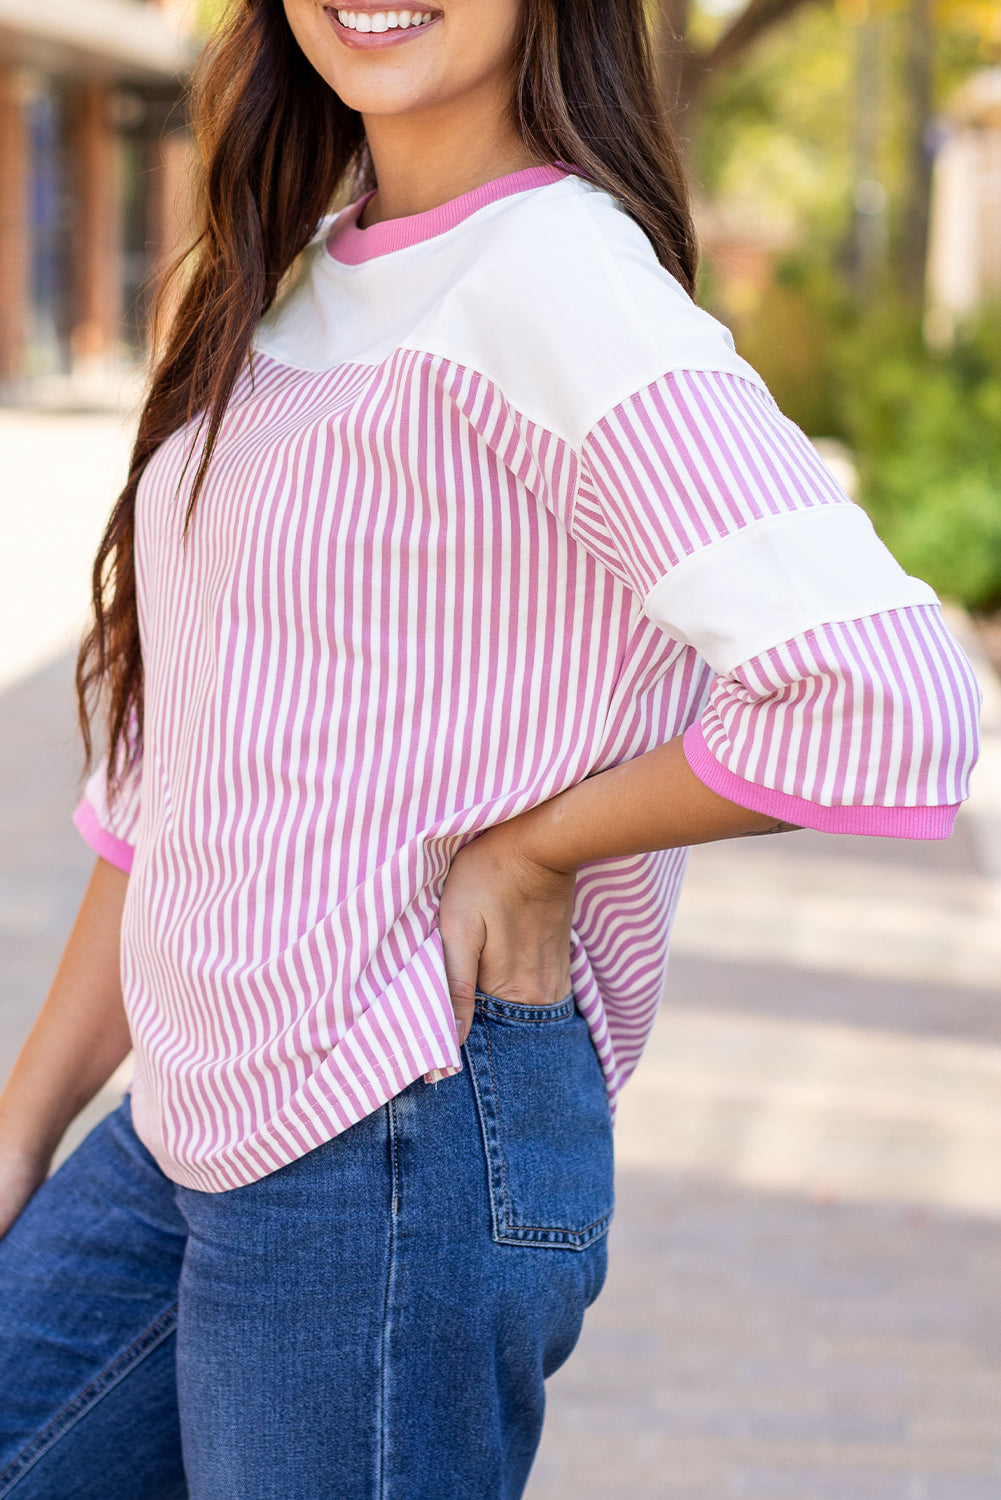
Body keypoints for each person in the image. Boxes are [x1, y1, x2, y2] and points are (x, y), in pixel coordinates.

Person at [0, 0, 981, 1491]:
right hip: (191, 1119)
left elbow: (882, 693)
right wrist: (23, 1129)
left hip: (390, 1125)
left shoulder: (557, 278)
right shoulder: (284, 274)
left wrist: (539, 843)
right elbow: (169, 781)